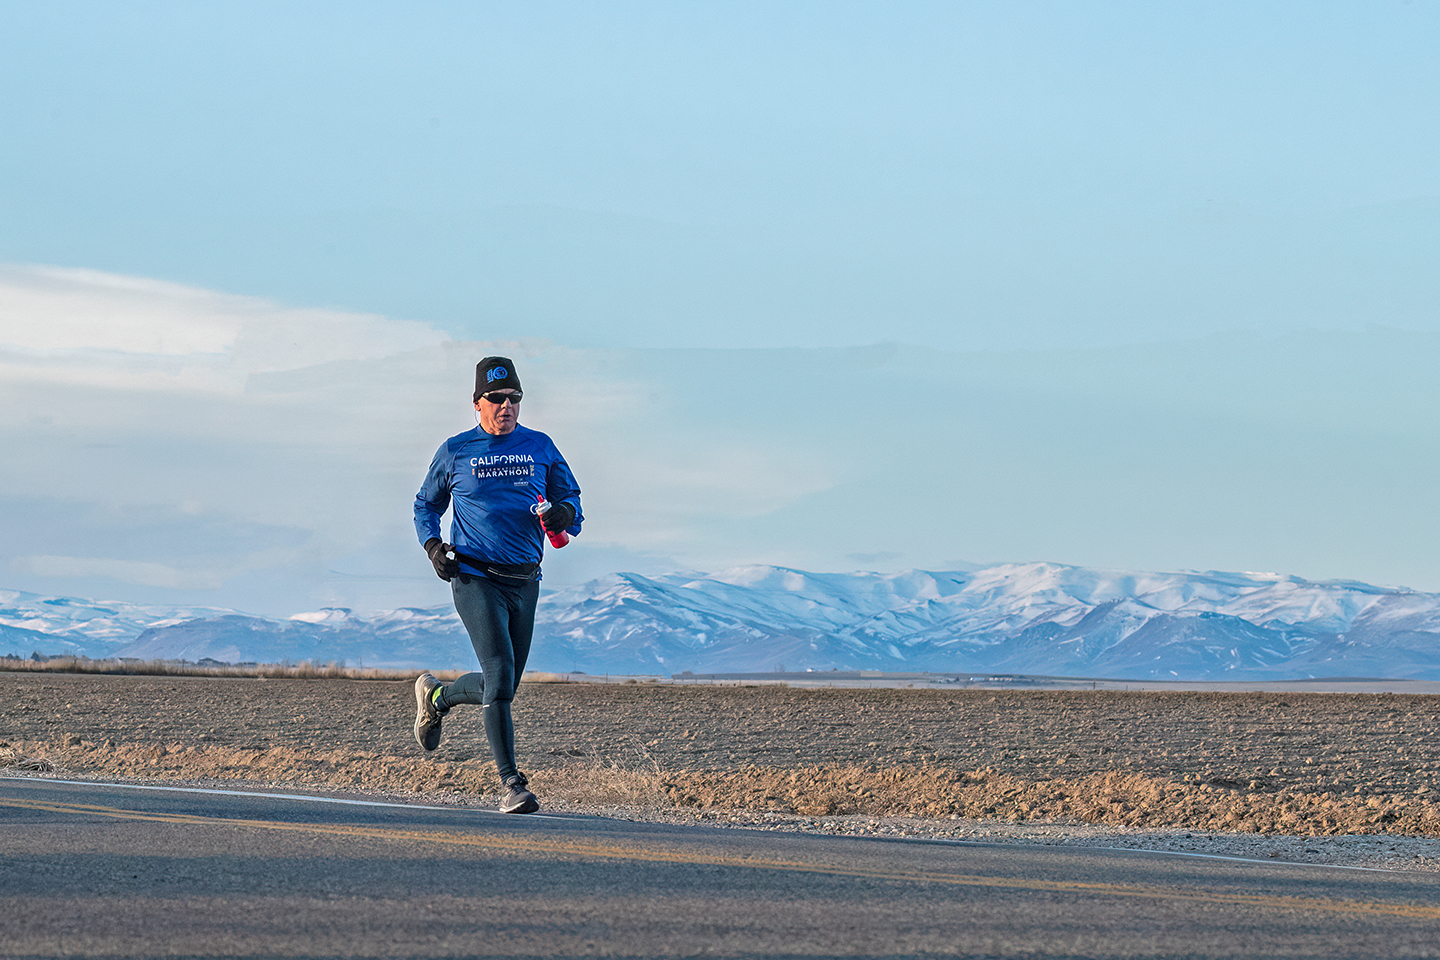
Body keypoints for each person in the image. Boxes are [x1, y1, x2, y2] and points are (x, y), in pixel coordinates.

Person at [411, 356, 583, 814]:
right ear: (477, 404)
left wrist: (565, 514)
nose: (506, 406)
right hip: (474, 575)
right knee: (500, 676)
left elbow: (572, 501)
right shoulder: (456, 451)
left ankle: (437, 697)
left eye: (514, 399)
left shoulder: (540, 446)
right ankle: (512, 784)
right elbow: (425, 505)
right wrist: (433, 547)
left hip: (525, 579)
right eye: (497, 399)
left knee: (500, 683)